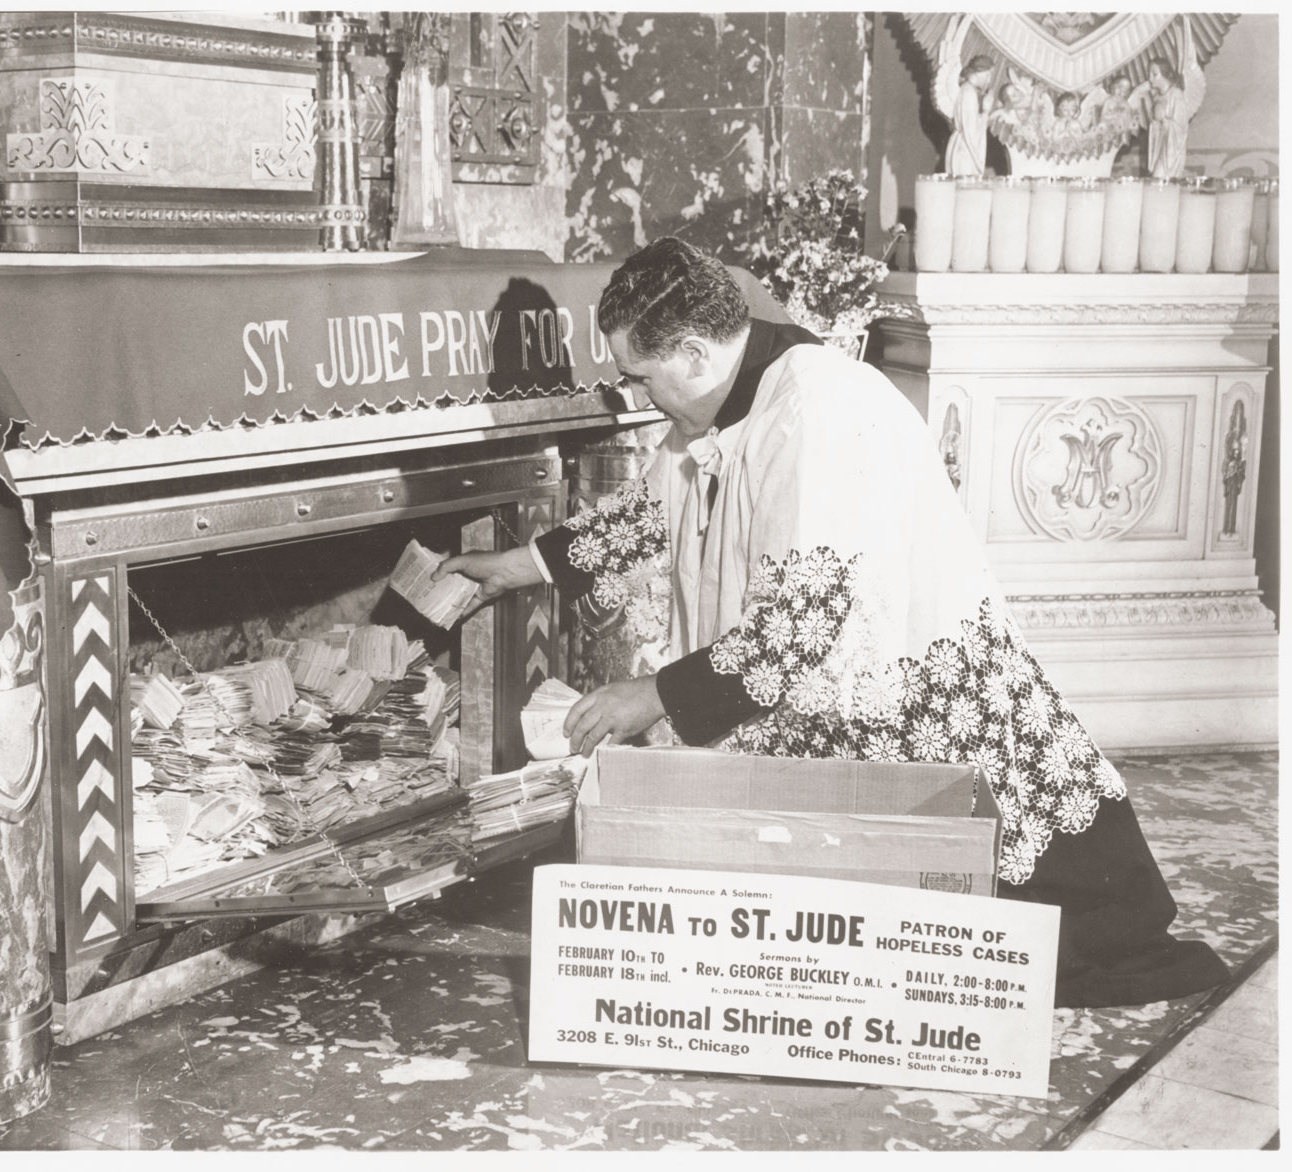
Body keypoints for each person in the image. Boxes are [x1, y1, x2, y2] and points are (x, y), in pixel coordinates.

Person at [440, 236, 1231, 1009]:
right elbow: (651, 512)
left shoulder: (817, 409)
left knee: (1009, 916)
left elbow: (800, 629)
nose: (638, 394)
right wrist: (517, 567)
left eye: (640, 376)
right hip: (822, 671)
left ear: (689, 351)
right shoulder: (728, 396)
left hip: (911, 678)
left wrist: (649, 694)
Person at [944, 54, 995, 178]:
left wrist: (985, 111)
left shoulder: (967, 91)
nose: (989, 81)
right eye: (988, 75)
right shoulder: (969, 94)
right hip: (965, 151)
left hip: (964, 148)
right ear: (979, 72)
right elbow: (970, 134)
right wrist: (986, 112)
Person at [1144, 56, 1189, 179]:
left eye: (1154, 74)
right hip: (1160, 145)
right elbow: (1154, 125)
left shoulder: (1176, 95)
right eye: (1149, 74)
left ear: (1164, 74)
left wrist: (1164, 120)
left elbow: (1181, 127)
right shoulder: (1158, 97)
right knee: (1156, 181)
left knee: (1159, 179)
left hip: (1172, 150)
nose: (1150, 78)